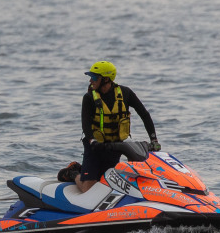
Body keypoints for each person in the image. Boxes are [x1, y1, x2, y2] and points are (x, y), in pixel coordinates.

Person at [61, 61, 161, 193]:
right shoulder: (89, 97)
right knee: (88, 189)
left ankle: (83, 169)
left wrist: (154, 140)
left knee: (105, 184)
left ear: (106, 79)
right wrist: (92, 141)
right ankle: (73, 172)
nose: (91, 80)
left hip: (114, 146)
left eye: (94, 77)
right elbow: (86, 124)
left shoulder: (125, 93)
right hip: (94, 146)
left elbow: (144, 115)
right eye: (90, 77)